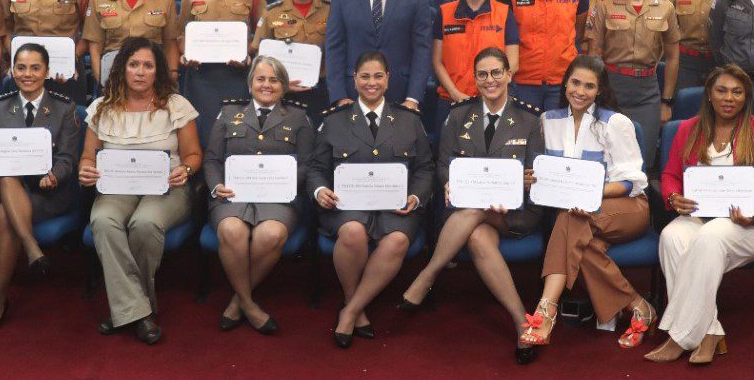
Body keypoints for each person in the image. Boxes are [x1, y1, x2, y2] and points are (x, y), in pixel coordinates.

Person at [399, 48, 544, 363]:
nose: (489, 80)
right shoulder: (459, 114)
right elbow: (442, 165)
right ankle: (522, 323)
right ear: (475, 78)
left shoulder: (530, 119)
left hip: (515, 212)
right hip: (471, 210)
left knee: (476, 210)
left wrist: (521, 185)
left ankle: (427, 275)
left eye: (495, 73)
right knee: (477, 231)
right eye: (482, 74)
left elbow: (536, 173)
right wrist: (449, 182)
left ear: (508, 75)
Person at [649, 64, 754, 365]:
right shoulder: (687, 129)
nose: (729, 98)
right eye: (722, 90)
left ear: (746, 97)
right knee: (672, 236)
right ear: (709, 95)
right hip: (700, 215)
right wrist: (674, 197)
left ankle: (679, 336)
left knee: (710, 238)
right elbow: (671, 175)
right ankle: (710, 331)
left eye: (737, 92)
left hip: (751, 225)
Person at [518, 56, 654, 353]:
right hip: (579, 214)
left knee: (569, 220)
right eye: (575, 82)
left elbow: (633, 181)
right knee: (581, 237)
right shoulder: (548, 121)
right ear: (565, 82)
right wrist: (534, 179)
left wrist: (590, 193)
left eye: (589, 86)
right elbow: (547, 175)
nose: (580, 91)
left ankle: (545, 310)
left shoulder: (615, 123)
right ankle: (639, 306)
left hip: (627, 208)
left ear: (600, 90)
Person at [78, 37, 202, 345]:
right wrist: (85, 171)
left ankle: (126, 309)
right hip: (117, 188)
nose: (140, 72)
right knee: (104, 221)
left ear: (157, 71)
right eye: (134, 64)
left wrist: (184, 171)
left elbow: (194, 156)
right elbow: (87, 156)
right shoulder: (100, 108)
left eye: (148, 65)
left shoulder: (176, 105)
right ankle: (140, 311)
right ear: (122, 69)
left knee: (145, 223)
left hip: (167, 188)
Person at [309, 51, 434, 348]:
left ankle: (349, 311)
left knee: (398, 241)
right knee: (352, 232)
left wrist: (416, 195)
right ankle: (357, 307)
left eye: (378, 76)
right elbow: (316, 168)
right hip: (348, 206)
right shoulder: (335, 121)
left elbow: (425, 168)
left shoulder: (409, 120)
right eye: (364, 76)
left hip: (396, 206)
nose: (371, 82)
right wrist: (319, 191)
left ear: (388, 79)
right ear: (354, 80)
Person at [0, 43, 82, 337]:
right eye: (21, 67)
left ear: (46, 71)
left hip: (48, 193)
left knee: (6, 214)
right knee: (6, 178)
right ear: (12, 70)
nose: (27, 74)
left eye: (35, 68)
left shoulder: (64, 107)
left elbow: (68, 159)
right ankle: (31, 247)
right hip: (6, 187)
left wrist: (54, 176)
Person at [203, 56, 316, 336]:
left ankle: (238, 300)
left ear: (284, 86)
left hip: (278, 197)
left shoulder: (299, 117)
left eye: (274, 80)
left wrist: (286, 181)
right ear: (250, 82)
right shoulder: (229, 114)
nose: (267, 85)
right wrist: (217, 187)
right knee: (231, 229)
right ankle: (250, 306)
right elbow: (212, 160)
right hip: (232, 194)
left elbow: (307, 164)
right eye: (261, 79)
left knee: (271, 235)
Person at [583, 0, 679, 166]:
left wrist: (666, 102)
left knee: (642, 159)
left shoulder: (665, 6)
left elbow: (673, 56)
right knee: (607, 157)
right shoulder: (605, 6)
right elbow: (594, 54)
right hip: (612, 88)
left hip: (647, 92)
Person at [179, 0, 265, 142]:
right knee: (201, 134)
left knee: (237, 134)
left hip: (238, 76)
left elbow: (263, 33)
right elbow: (181, 32)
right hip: (201, 77)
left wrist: (250, 56)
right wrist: (186, 54)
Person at [431, 0, 520, 133]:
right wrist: (456, 95)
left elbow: (513, 63)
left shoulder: (504, 13)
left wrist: (489, 92)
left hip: (493, 103)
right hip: (451, 101)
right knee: (447, 159)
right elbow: (437, 61)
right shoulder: (445, 12)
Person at [251, 0, 330, 114]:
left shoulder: (330, 10)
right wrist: (281, 84)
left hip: (319, 90)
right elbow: (260, 56)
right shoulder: (272, 12)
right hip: (281, 94)